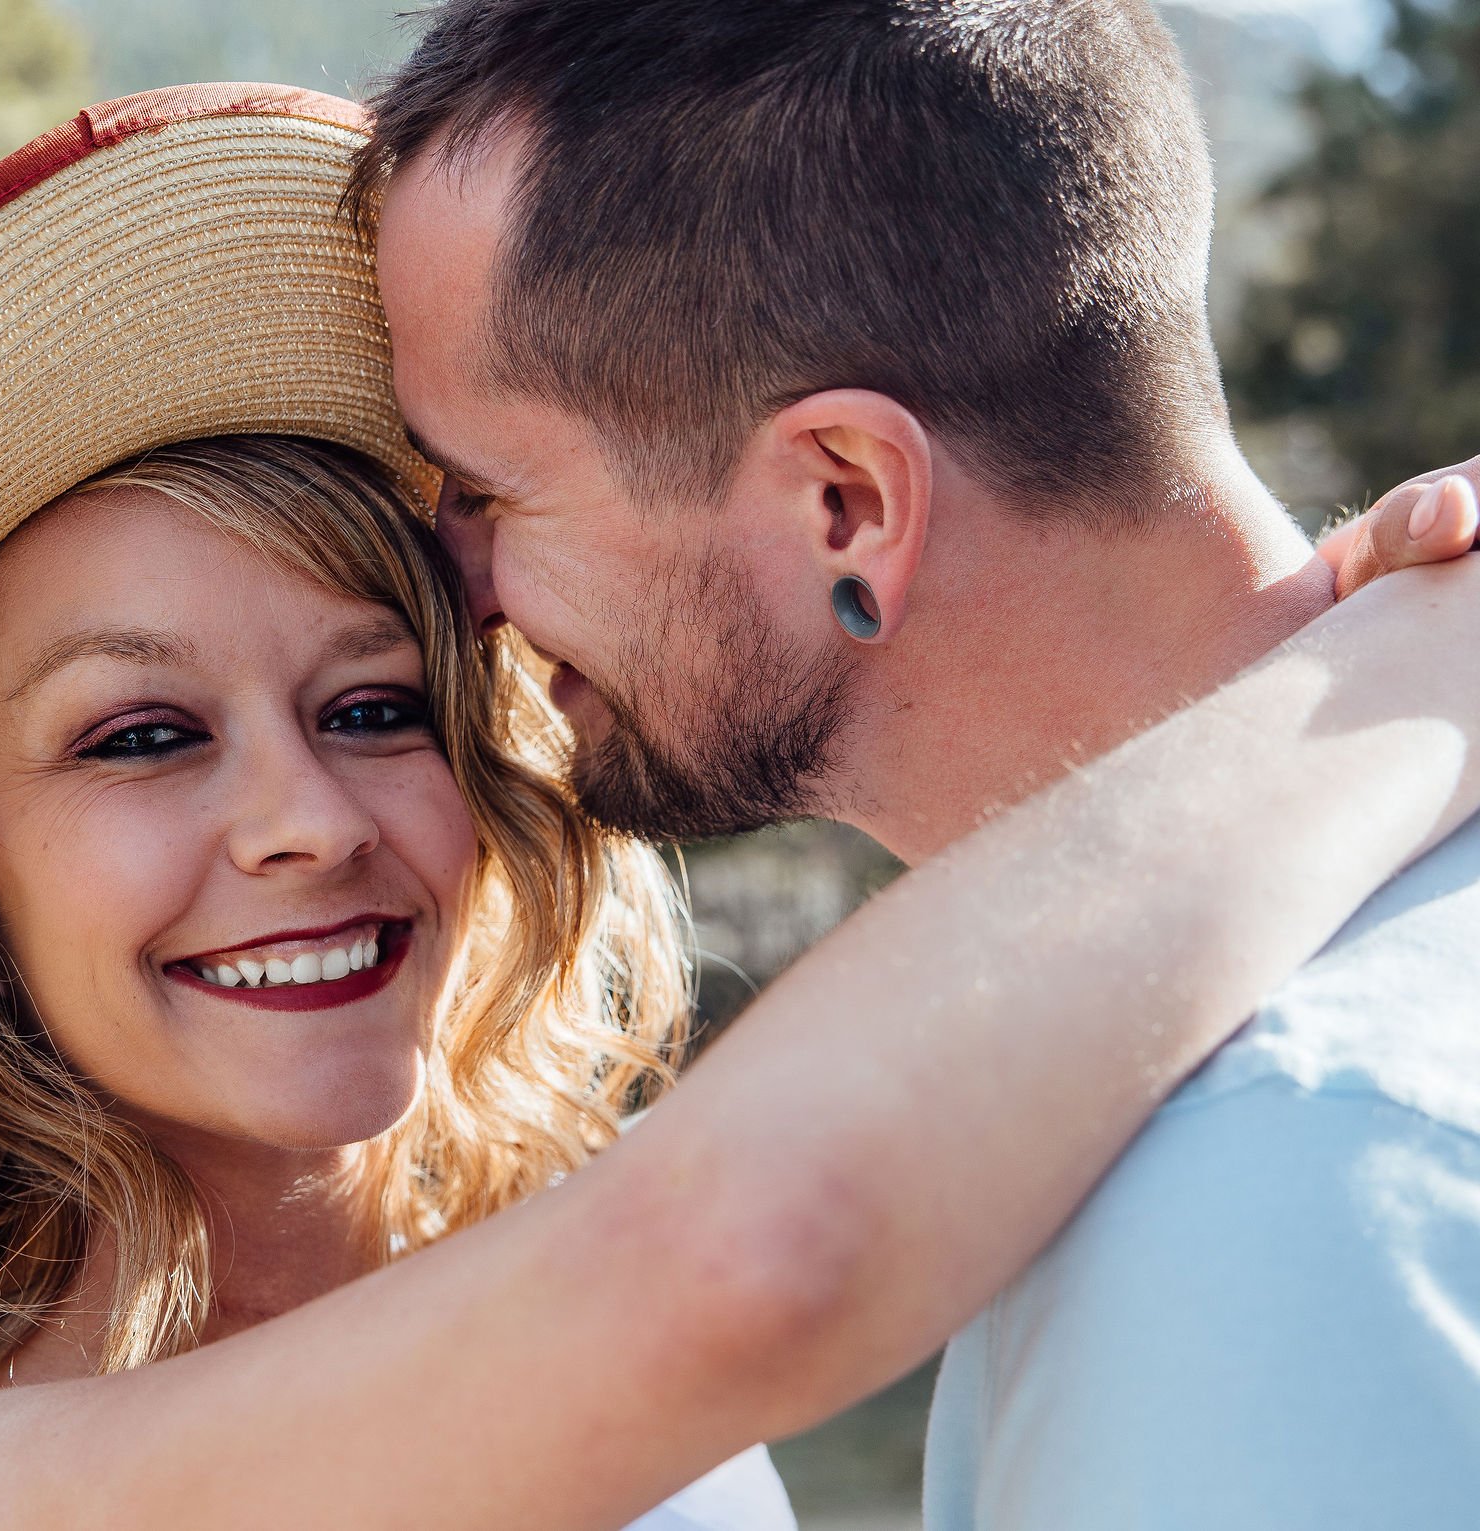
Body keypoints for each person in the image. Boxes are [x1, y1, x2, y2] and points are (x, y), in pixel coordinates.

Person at [0, 88, 1477, 1531]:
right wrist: (1387, 673)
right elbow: (755, 1248)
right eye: (136, 737)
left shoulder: (663, 1434)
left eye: (376, 702)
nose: (304, 816)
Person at [353, 1, 1480, 1524]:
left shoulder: (1266, 1187)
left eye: (489, 491)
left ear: (844, 503)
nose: (456, 590)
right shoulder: (1189, 1095)